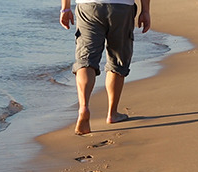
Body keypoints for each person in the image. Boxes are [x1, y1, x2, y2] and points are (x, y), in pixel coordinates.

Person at [60, 0, 151, 135]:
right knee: (117, 60)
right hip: (122, 6)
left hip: (88, 6)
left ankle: (84, 107)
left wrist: (65, 8)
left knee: (86, 60)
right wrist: (145, 11)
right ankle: (112, 113)